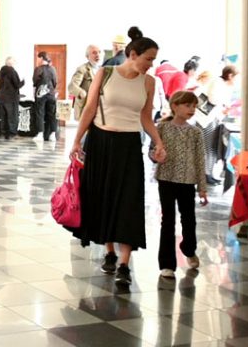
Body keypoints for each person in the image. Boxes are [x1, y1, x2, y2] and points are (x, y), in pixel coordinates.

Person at [68, 34, 165, 287]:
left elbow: (145, 117)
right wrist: (77, 140)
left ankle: (124, 263)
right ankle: (109, 251)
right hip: (100, 141)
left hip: (129, 144)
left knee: (128, 199)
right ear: (133, 55)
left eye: (153, 60)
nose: (151, 64)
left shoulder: (149, 82)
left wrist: (158, 141)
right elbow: (89, 108)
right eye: (148, 59)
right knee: (102, 196)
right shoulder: (106, 73)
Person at [152, 91, 208, 278]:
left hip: (188, 181)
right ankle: (167, 264)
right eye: (187, 105)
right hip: (166, 179)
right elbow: (152, 151)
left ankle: (189, 248)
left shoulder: (196, 132)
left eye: (194, 106)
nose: (192, 109)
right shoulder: (161, 128)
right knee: (167, 220)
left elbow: (201, 160)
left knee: (189, 218)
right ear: (174, 106)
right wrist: (156, 156)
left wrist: (202, 187)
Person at [200, 65, 239, 185]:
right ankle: (206, 174)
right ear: (230, 75)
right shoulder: (218, 82)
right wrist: (225, 105)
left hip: (213, 119)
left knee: (212, 147)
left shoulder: (223, 84)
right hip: (207, 119)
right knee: (208, 147)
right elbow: (213, 100)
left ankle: (209, 173)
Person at [69, 45, 101, 121]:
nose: (98, 55)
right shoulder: (82, 69)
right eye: (94, 53)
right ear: (87, 56)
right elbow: (71, 86)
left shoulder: (102, 69)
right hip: (85, 108)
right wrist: (81, 92)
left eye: (99, 52)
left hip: (99, 109)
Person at [32, 51, 58, 142]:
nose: (37, 60)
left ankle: (40, 134)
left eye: (38, 58)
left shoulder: (38, 69)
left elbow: (34, 81)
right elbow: (55, 82)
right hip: (51, 93)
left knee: (40, 113)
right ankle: (53, 134)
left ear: (41, 58)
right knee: (52, 114)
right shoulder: (53, 69)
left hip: (40, 94)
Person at [0, 57, 24, 140]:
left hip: (2, 97)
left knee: (4, 116)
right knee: (12, 116)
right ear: (11, 63)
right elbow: (17, 84)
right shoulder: (12, 71)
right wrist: (23, 82)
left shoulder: (1, 71)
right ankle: (12, 134)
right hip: (11, 97)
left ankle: (3, 133)